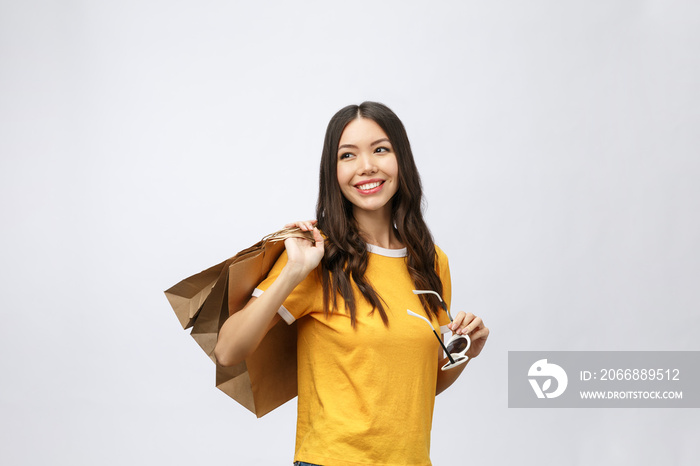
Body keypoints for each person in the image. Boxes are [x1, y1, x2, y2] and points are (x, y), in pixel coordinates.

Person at [214, 102, 489, 466]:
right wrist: (293, 272)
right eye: (348, 155)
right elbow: (228, 351)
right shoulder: (318, 256)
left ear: (401, 160)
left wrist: (465, 351)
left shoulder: (431, 260)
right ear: (334, 171)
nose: (366, 167)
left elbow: (421, 386)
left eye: (380, 149)